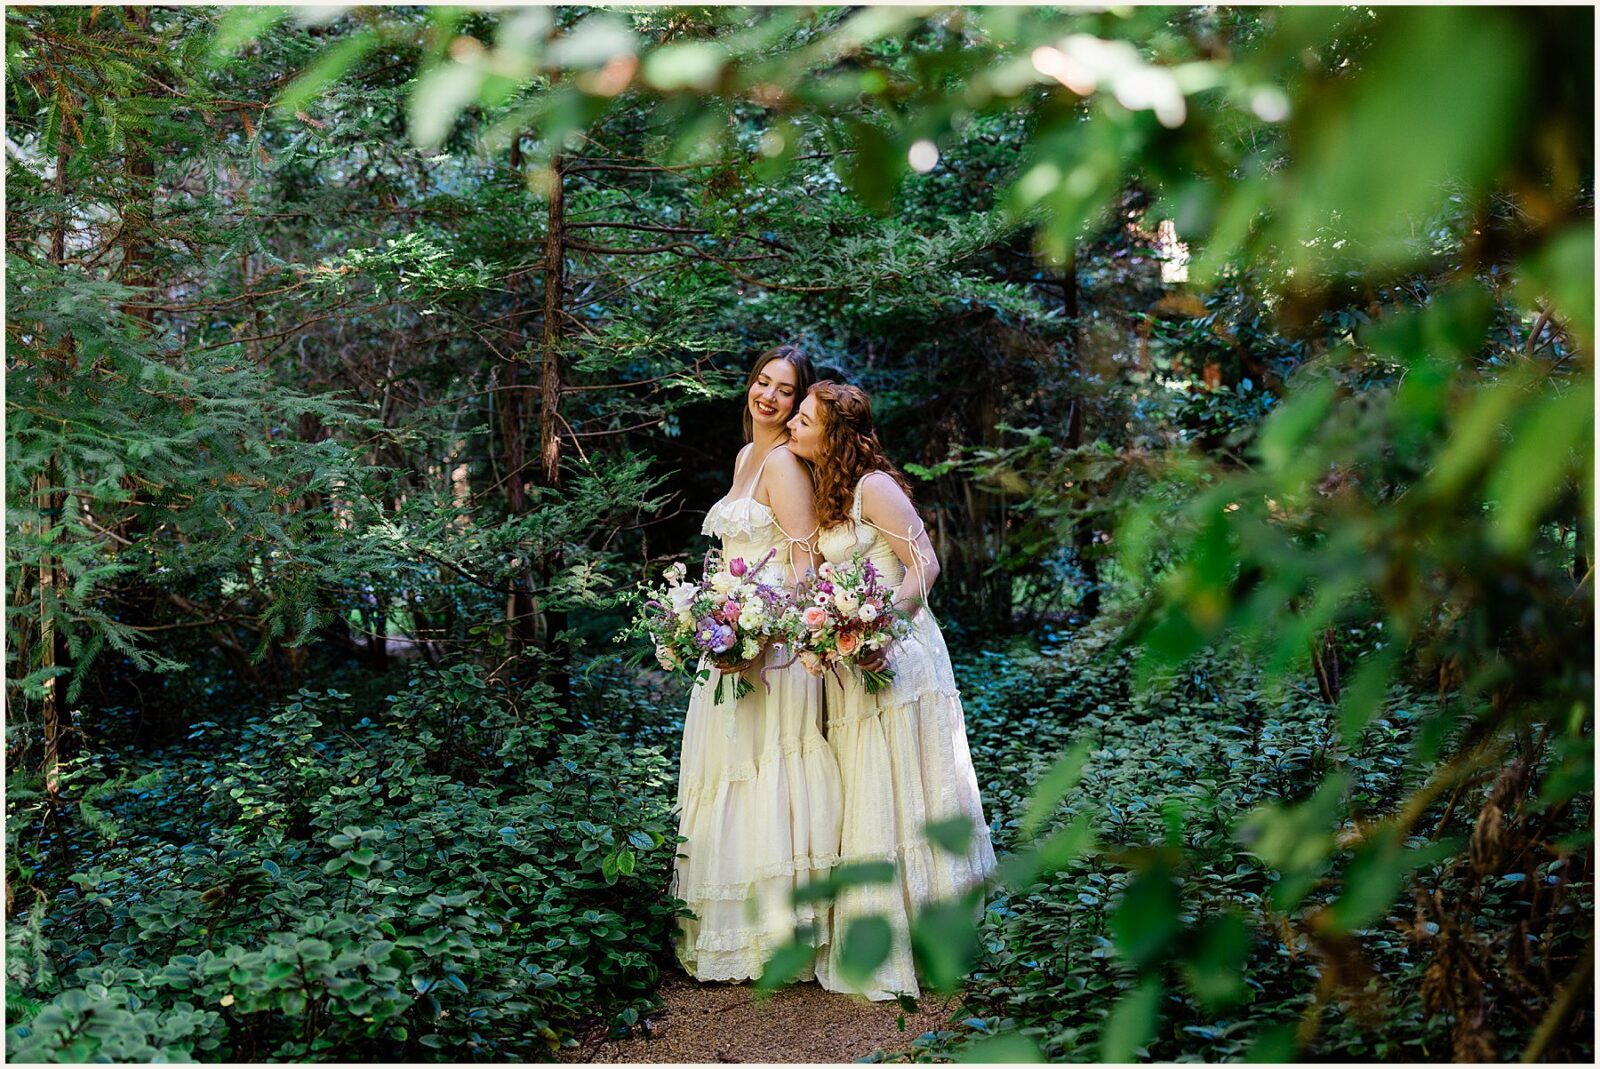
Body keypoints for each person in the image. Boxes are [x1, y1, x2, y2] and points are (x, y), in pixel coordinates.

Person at [785, 380, 995, 1001]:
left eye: (804, 419)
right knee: (872, 782)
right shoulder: (828, 490)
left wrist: (880, 628)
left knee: (910, 779)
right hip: (856, 656)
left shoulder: (873, 486)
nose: (793, 424)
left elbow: (925, 564)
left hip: (900, 650)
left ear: (833, 434)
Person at [672, 346, 843, 983]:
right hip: (730, 640)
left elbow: (806, 566)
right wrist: (709, 620)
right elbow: (732, 559)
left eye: (784, 390)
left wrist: (762, 637)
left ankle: (780, 935)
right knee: (726, 771)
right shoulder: (747, 455)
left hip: (773, 653)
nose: (768, 397)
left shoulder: (785, 465)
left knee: (768, 769)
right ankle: (731, 930)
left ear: (798, 401)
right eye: (762, 383)